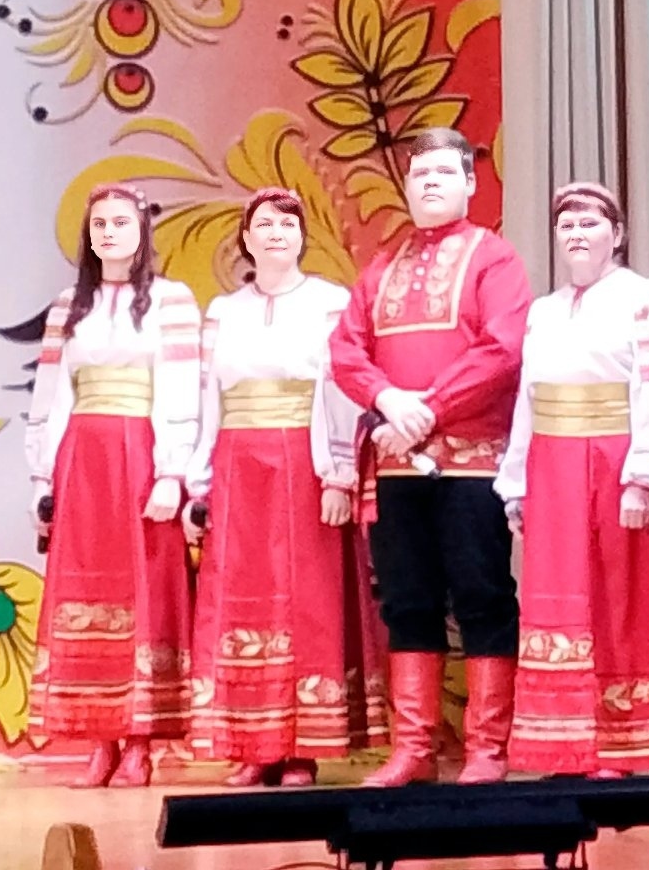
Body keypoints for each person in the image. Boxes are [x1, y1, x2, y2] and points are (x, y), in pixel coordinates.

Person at [329, 127, 532, 786]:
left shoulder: (495, 259)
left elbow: (502, 350)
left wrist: (431, 409)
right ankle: (413, 750)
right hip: (396, 465)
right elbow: (345, 350)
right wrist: (388, 399)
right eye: (420, 175)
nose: (430, 184)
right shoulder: (382, 267)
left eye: (444, 173)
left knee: (482, 597)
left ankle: (486, 751)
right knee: (407, 602)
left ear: (471, 182)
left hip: (472, 464)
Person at [496, 181, 649, 777]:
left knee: (623, 594)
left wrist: (642, 477)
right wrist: (517, 484)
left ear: (617, 235)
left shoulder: (642, 298)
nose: (577, 235)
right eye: (567, 225)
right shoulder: (544, 311)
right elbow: (528, 399)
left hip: (615, 463)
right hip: (552, 466)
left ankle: (629, 741)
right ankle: (568, 744)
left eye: (590, 224)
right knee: (557, 595)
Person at [183, 188, 388, 787]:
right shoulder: (223, 311)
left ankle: (301, 747)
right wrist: (200, 482)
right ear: (246, 239)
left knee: (306, 599)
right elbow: (208, 399)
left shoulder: (329, 304)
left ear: (303, 237)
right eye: (265, 225)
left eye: (288, 224)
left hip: (303, 459)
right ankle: (253, 743)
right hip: (237, 466)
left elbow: (341, 391)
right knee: (240, 598)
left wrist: (338, 473)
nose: (277, 233)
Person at [25, 183, 201, 788]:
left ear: (142, 230)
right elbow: (52, 398)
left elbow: (181, 388)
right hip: (83, 460)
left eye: (120, 222)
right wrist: (43, 477)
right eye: (98, 224)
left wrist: (172, 472)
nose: (108, 233)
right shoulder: (68, 306)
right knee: (86, 591)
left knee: (142, 592)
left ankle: (140, 745)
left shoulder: (172, 301)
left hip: (141, 456)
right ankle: (100, 741)